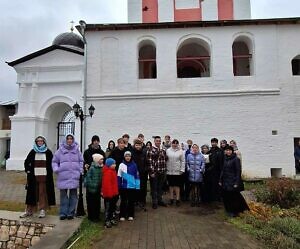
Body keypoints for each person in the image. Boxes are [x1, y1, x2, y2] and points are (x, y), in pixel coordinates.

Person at [20, 136, 56, 218]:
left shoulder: (48, 152)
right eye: (38, 141)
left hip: (44, 177)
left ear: (44, 142)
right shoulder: (33, 151)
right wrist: (28, 170)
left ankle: (42, 210)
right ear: (36, 143)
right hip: (33, 177)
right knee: (31, 194)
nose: (40, 142)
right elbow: (26, 161)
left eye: (41, 141)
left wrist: (50, 172)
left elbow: (52, 163)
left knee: (42, 193)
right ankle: (29, 211)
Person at [52, 134, 83, 220]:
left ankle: (70, 213)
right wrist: (56, 169)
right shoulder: (60, 150)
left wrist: (80, 170)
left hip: (74, 176)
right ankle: (63, 213)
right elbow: (54, 161)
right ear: (65, 140)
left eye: (71, 139)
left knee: (73, 195)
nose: (69, 140)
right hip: (63, 176)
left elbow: (81, 161)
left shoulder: (77, 150)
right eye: (68, 139)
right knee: (63, 195)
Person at [219, 145, 249, 217]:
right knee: (226, 196)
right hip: (225, 180)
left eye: (229, 150)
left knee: (234, 197)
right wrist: (220, 180)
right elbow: (223, 170)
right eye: (227, 150)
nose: (228, 151)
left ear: (232, 151)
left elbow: (238, 171)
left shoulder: (236, 159)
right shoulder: (225, 159)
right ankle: (228, 210)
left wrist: (236, 182)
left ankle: (235, 211)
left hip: (232, 181)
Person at [118, 151, 140, 221]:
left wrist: (137, 186)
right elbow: (119, 176)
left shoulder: (134, 165)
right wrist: (119, 185)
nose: (128, 157)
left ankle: (131, 214)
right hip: (123, 186)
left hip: (132, 186)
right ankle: (122, 215)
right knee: (123, 201)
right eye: (126, 156)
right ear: (124, 157)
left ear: (131, 157)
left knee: (131, 201)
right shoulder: (121, 165)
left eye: (129, 156)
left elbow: (137, 176)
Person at [146, 136, 168, 209]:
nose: (158, 142)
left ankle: (160, 200)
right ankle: (154, 202)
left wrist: (165, 170)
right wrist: (151, 172)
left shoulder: (163, 149)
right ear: (154, 141)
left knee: (160, 187)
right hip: (154, 172)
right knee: (154, 188)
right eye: (157, 141)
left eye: (159, 141)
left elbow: (165, 159)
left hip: (162, 171)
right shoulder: (150, 150)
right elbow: (149, 162)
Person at [85, 153, 103, 222]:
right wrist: (93, 185)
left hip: (98, 189)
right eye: (101, 159)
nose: (102, 160)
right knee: (91, 203)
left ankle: (96, 216)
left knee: (97, 203)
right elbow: (88, 179)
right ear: (97, 160)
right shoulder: (92, 168)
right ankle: (91, 217)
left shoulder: (101, 167)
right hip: (91, 189)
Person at [166, 139, 185, 206]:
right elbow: (166, 159)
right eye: (173, 143)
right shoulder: (168, 150)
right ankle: (171, 199)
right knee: (171, 185)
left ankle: (177, 199)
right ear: (171, 144)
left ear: (178, 144)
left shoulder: (181, 151)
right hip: (169, 171)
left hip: (177, 171)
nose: (175, 144)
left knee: (177, 185)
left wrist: (182, 170)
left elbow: (183, 161)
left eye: (176, 143)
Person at [102, 158, 119, 228]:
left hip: (113, 193)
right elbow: (107, 184)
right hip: (109, 194)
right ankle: (107, 220)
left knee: (112, 207)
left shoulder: (113, 171)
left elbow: (114, 183)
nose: (115, 165)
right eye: (113, 164)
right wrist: (109, 194)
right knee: (108, 208)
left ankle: (111, 218)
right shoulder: (107, 172)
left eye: (115, 164)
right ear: (109, 165)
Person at [132, 138, 148, 208]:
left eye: (139, 145)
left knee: (142, 188)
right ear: (134, 145)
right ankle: (135, 201)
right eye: (136, 145)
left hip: (143, 174)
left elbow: (147, 162)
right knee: (135, 188)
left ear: (141, 145)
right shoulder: (132, 153)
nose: (138, 146)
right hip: (134, 174)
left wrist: (144, 170)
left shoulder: (144, 153)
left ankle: (142, 201)